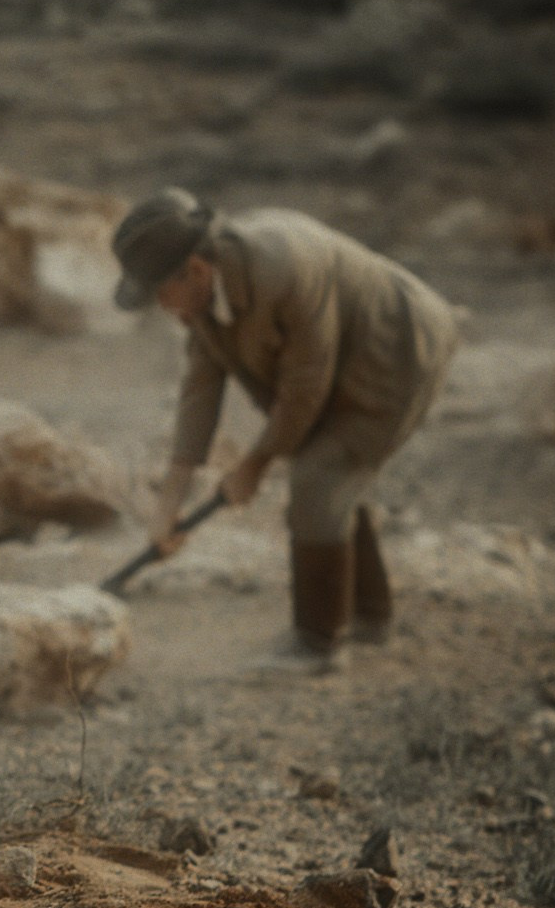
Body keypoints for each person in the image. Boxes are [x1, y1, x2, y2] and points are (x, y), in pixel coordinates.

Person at [113, 188, 460, 672]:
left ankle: (319, 642)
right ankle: (370, 617)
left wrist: (253, 465)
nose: (162, 307)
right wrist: (170, 501)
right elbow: (200, 386)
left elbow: (304, 389)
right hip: (342, 357)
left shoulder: (282, 268)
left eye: (159, 293)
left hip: (397, 348)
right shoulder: (204, 292)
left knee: (319, 477)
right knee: (331, 480)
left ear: (193, 269)